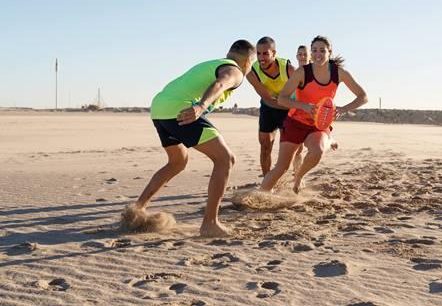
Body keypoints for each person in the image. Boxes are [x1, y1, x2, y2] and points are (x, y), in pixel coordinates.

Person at [132, 40, 256, 237]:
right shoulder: (236, 71)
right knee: (225, 159)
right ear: (249, 62)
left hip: (159, 108)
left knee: (177, 162)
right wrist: (201, 106)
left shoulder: (214, 63)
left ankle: (136, 210)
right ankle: (210, 224)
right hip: (181, 109)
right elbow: (221, 83)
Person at [260, 35, 368, 194]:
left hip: (319, 124)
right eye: (314, 50)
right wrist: (304, 106)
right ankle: (259, 195)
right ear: (311, 54)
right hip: (295, 122)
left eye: (322, 50)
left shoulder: (339, 73)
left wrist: (344, 109)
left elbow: (363, 97)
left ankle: (298, 177)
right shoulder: (303, 72)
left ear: (329, 52)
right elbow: (282, 99)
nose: (318, 54)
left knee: (317, 151)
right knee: (282, 167)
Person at [247, 36, 301, 175]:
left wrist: (299, 107)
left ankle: (297, 175)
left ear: (274, 53)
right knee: (265, 146)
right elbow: (268, 99)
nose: (261, 58)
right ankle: (266, 182)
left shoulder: (289, 69)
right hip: (269, 108)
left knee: (292, 148)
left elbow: (303, 92)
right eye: (258, 53)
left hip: (290, 109)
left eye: (265, 53)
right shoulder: (252, 73)